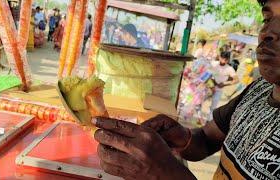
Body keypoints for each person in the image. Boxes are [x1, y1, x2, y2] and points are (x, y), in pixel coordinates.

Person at [93, 1, 280, 179]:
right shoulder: (259, 90)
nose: (267, 32)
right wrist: (183, 137)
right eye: (267, 19)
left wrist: (167, 174)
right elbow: (207, 139)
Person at [209, 51, 238, 120]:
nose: (223, 61)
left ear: (228, 60)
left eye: (226, 60)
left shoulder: (229, 69)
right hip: (208, 87)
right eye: (222, 58)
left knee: (213, 106)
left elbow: (236, 80)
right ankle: (198, 116)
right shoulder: (213, 64)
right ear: (219, 57)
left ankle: (208, 121)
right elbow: (206, 73)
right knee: (198, 101)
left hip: (219, 89)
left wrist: (225, 84)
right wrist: (211, 83)